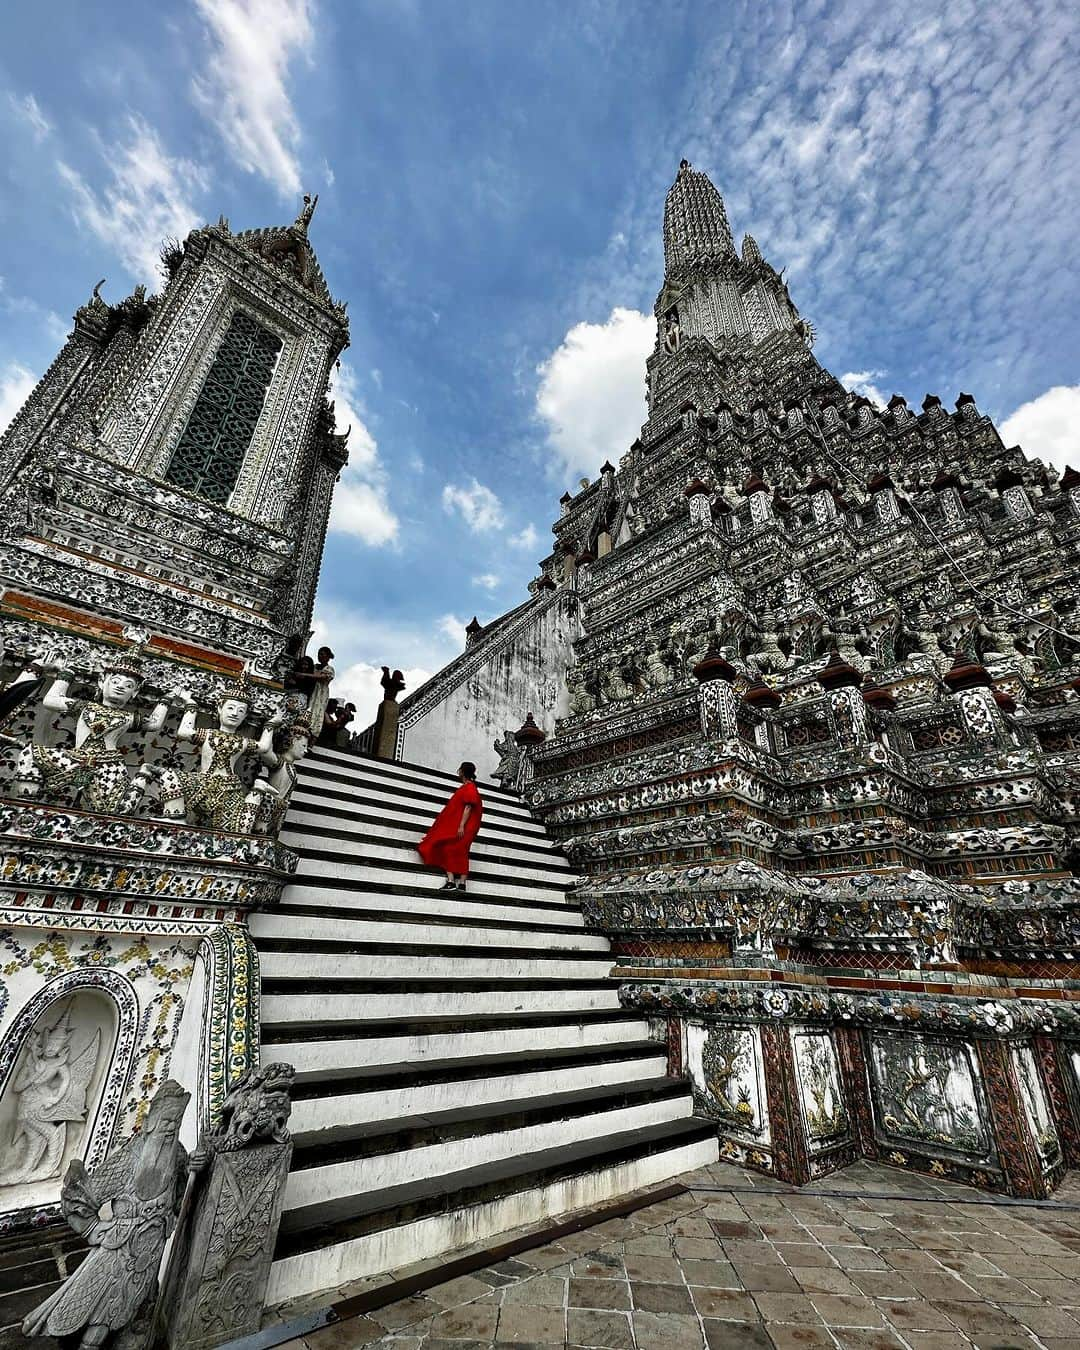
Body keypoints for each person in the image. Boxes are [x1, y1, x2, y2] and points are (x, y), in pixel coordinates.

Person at [417, 762, 483, 891]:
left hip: (467, 826)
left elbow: (468, 807)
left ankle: (453, 881)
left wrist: (461, 826)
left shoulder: (469, 788)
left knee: (450, 849)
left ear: (462, 772)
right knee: (459, 851)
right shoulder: (468, 787)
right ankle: (460, 883)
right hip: (467, 826)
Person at [307, 645, 335, 736]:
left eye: (323, 654)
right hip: (311, 690)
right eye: (319, 654)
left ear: (327, 657)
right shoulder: (314, 666)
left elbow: (321, 677)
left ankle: (312, 735)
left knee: (317, 711)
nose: (320, 656)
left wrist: (305, 675)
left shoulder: (329, 669)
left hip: (320, 693)